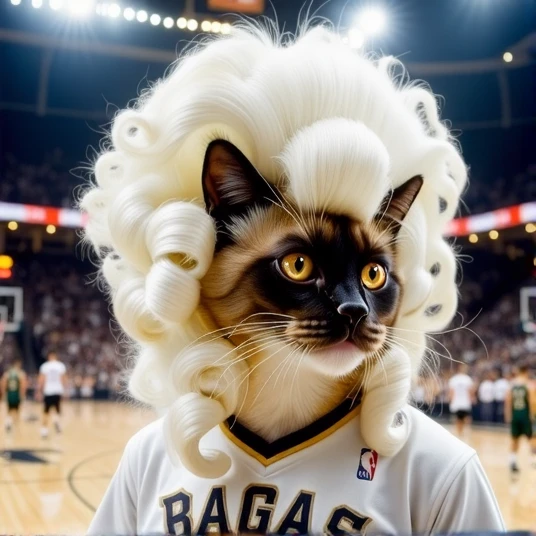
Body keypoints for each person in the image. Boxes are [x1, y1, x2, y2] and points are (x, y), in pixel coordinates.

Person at [84, 25, 504, 533]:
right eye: (299, 266)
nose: (354, 307)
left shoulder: (439, 473)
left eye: (373, 273)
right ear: (212, 255)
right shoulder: (149, 459)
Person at [504, 364, 536, 473]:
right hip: (526, 416)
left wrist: (508, 416)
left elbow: (508, 401)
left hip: (515, 416)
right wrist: (533, 414)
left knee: (514, 440)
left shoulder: (512, 384)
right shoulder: (529, 385)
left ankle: (512, 462)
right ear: (526, 372)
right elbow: (532, 402)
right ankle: (533, 460)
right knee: (532, 439)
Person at [37, 350, 67, 438]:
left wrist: (39, 391)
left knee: (46, 411)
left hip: (48, 391)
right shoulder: (60, 366)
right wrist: (65, 390)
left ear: (49, 356)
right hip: (58, 390)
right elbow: (63, 379)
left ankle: (44, 431)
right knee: (57, 409)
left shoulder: (45, 366)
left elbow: (41, 380)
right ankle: (56, 422)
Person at [448, 363, 475, 436]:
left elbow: (470, 391)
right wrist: (451, 399)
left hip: (464, 401)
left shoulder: (467, 379)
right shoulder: (455, 379)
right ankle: (459, 431)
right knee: (458, 418)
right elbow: (451, 391)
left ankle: (461, 431)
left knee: (463, 418)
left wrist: (471, 398)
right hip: (458, 402)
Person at [1, 359, 27, 432]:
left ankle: (8, 422)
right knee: (17, 410)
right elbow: (23, 385)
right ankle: (14, 425)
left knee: (9, 410)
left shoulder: (7, 373)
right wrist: (23, 394)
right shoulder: (20, 373)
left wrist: (3, 393)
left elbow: (3, 383)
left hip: (9, 393)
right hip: (16, 394)